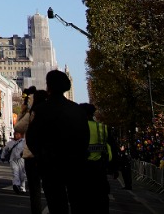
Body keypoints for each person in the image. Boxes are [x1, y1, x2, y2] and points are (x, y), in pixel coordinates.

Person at [25, 71, 87, 214]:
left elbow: (32, 137)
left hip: (50, 165)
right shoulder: (77, 110)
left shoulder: (41, 110)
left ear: (49, 87)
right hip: (74, 163)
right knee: (77, 202)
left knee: (57, 204)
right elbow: (85, 137)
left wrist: (41, 156)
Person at [79, 103, 115, 212]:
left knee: (83, 201)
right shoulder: (103, 128)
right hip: (99, 167)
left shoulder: (77, 127)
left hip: (82, 168)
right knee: (101, 199)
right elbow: (112, 147)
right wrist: (114, 167)